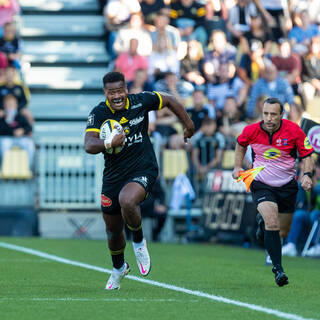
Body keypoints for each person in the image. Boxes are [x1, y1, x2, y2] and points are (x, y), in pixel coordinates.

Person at [84, 71, 195, 290]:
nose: (116, 96)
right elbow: (89, 144)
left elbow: (170, 100)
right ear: (105, 93)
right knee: (113, 231)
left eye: (120, 90)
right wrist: (108, 142)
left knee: (128, 200)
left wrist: (188, 124)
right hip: (114, 176)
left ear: (126, 88)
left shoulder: (140, 101)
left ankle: (139, 242)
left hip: (144, 168)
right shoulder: (99, 113)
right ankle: (118, 268)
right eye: (111, 92)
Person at [232, 97, 314, 287]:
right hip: (261, 182)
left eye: (273, 114)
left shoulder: (294, 131)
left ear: (281, 115)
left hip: (287, 185)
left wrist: (307, 174)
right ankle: (278, 269)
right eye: (266, 114)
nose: (269, 118)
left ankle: (262, 228)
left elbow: (307, 155)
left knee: (282, 231)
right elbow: (240, 144)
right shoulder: (251, 130)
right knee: (272, 221)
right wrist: (237, 166)